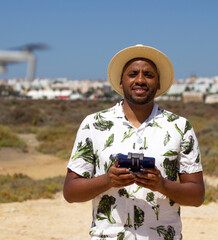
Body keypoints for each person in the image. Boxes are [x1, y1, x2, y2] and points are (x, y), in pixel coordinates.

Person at [63, 44, 205, 240]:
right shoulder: (94, 124)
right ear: (121, 81)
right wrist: (108, 180)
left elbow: (197, 195)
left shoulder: (179, 127)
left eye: (148, 74)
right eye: (132, 74)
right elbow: (70, 192)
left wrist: (161, 184)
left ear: (158, 82)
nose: (140, 80)